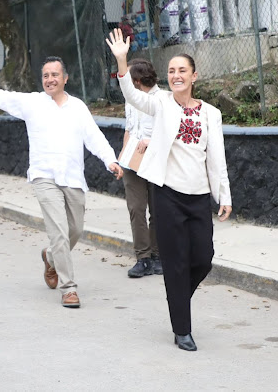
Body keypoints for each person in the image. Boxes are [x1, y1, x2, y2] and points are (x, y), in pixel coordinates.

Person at [0, 57, 123, 308]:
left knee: (75, 230)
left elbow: (94, 137)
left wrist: (110, 160)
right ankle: (68, 288)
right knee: (59, 232)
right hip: (43, 176)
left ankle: (50, 256)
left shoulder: (78, 107)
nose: (50, 79)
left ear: (65, 78)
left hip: (72, 177)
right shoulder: (32, 103)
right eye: (46, 75)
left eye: (55, 75)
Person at [107, 28, 232, 351]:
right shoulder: (161, 102)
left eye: (182, 70)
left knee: (203, 259)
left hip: (198, 195)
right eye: (172, 71)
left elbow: (216, 157)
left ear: (194, 76)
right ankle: (182, 330)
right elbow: (133, 96)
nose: (176, 75)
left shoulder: (211, 113)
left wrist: (224, 195)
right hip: (167, 195)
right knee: (175, 263)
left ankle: (177, 298)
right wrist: (122, 61)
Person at [122, 58, 162, 278]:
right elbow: (129, 129)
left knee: (157, 209)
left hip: (155, 161)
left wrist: (151, 143)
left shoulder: (163, 100)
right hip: (132, 161)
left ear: (137, 80)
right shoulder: (130, 100)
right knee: (136, 208)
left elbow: (169, 133)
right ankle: (143, 258)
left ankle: (157, 256)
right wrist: (122, 158)